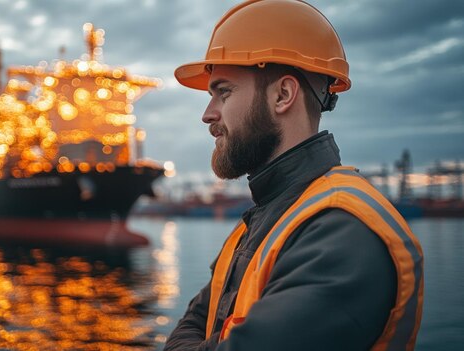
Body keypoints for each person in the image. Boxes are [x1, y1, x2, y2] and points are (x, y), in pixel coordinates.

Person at [164, 1, 424, 350]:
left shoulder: (343, 233)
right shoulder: (264, 223)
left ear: (283, 95)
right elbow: (191, 324)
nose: (208, 115)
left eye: (223, 92)